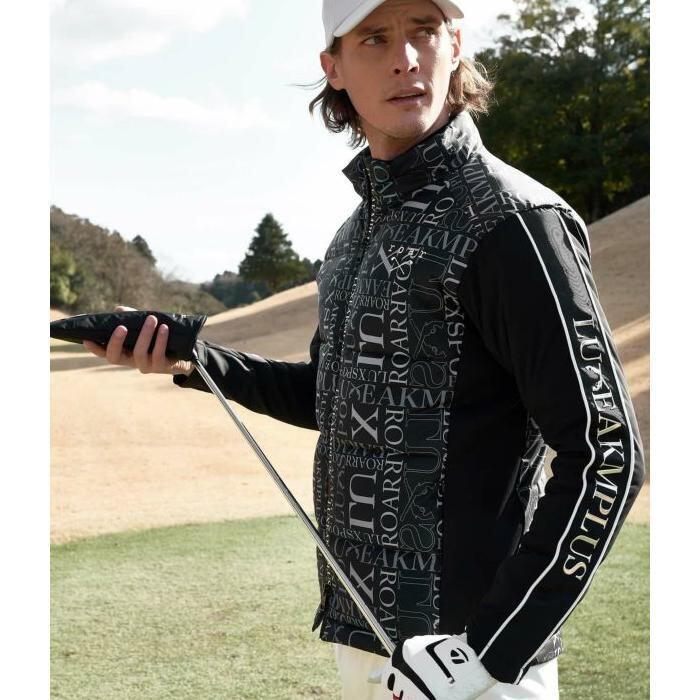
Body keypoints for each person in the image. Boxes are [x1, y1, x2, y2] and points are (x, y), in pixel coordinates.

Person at [83, 1, 646, 698]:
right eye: (375, 39)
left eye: (423, 31)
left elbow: (608, 455)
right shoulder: (353, 238)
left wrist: (488, 652)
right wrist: (195, 358)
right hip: (367, 642)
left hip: (475, 663)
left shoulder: (514, 223)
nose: (405, 59)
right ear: (334, 67)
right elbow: (333, 396)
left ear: (455, 44)